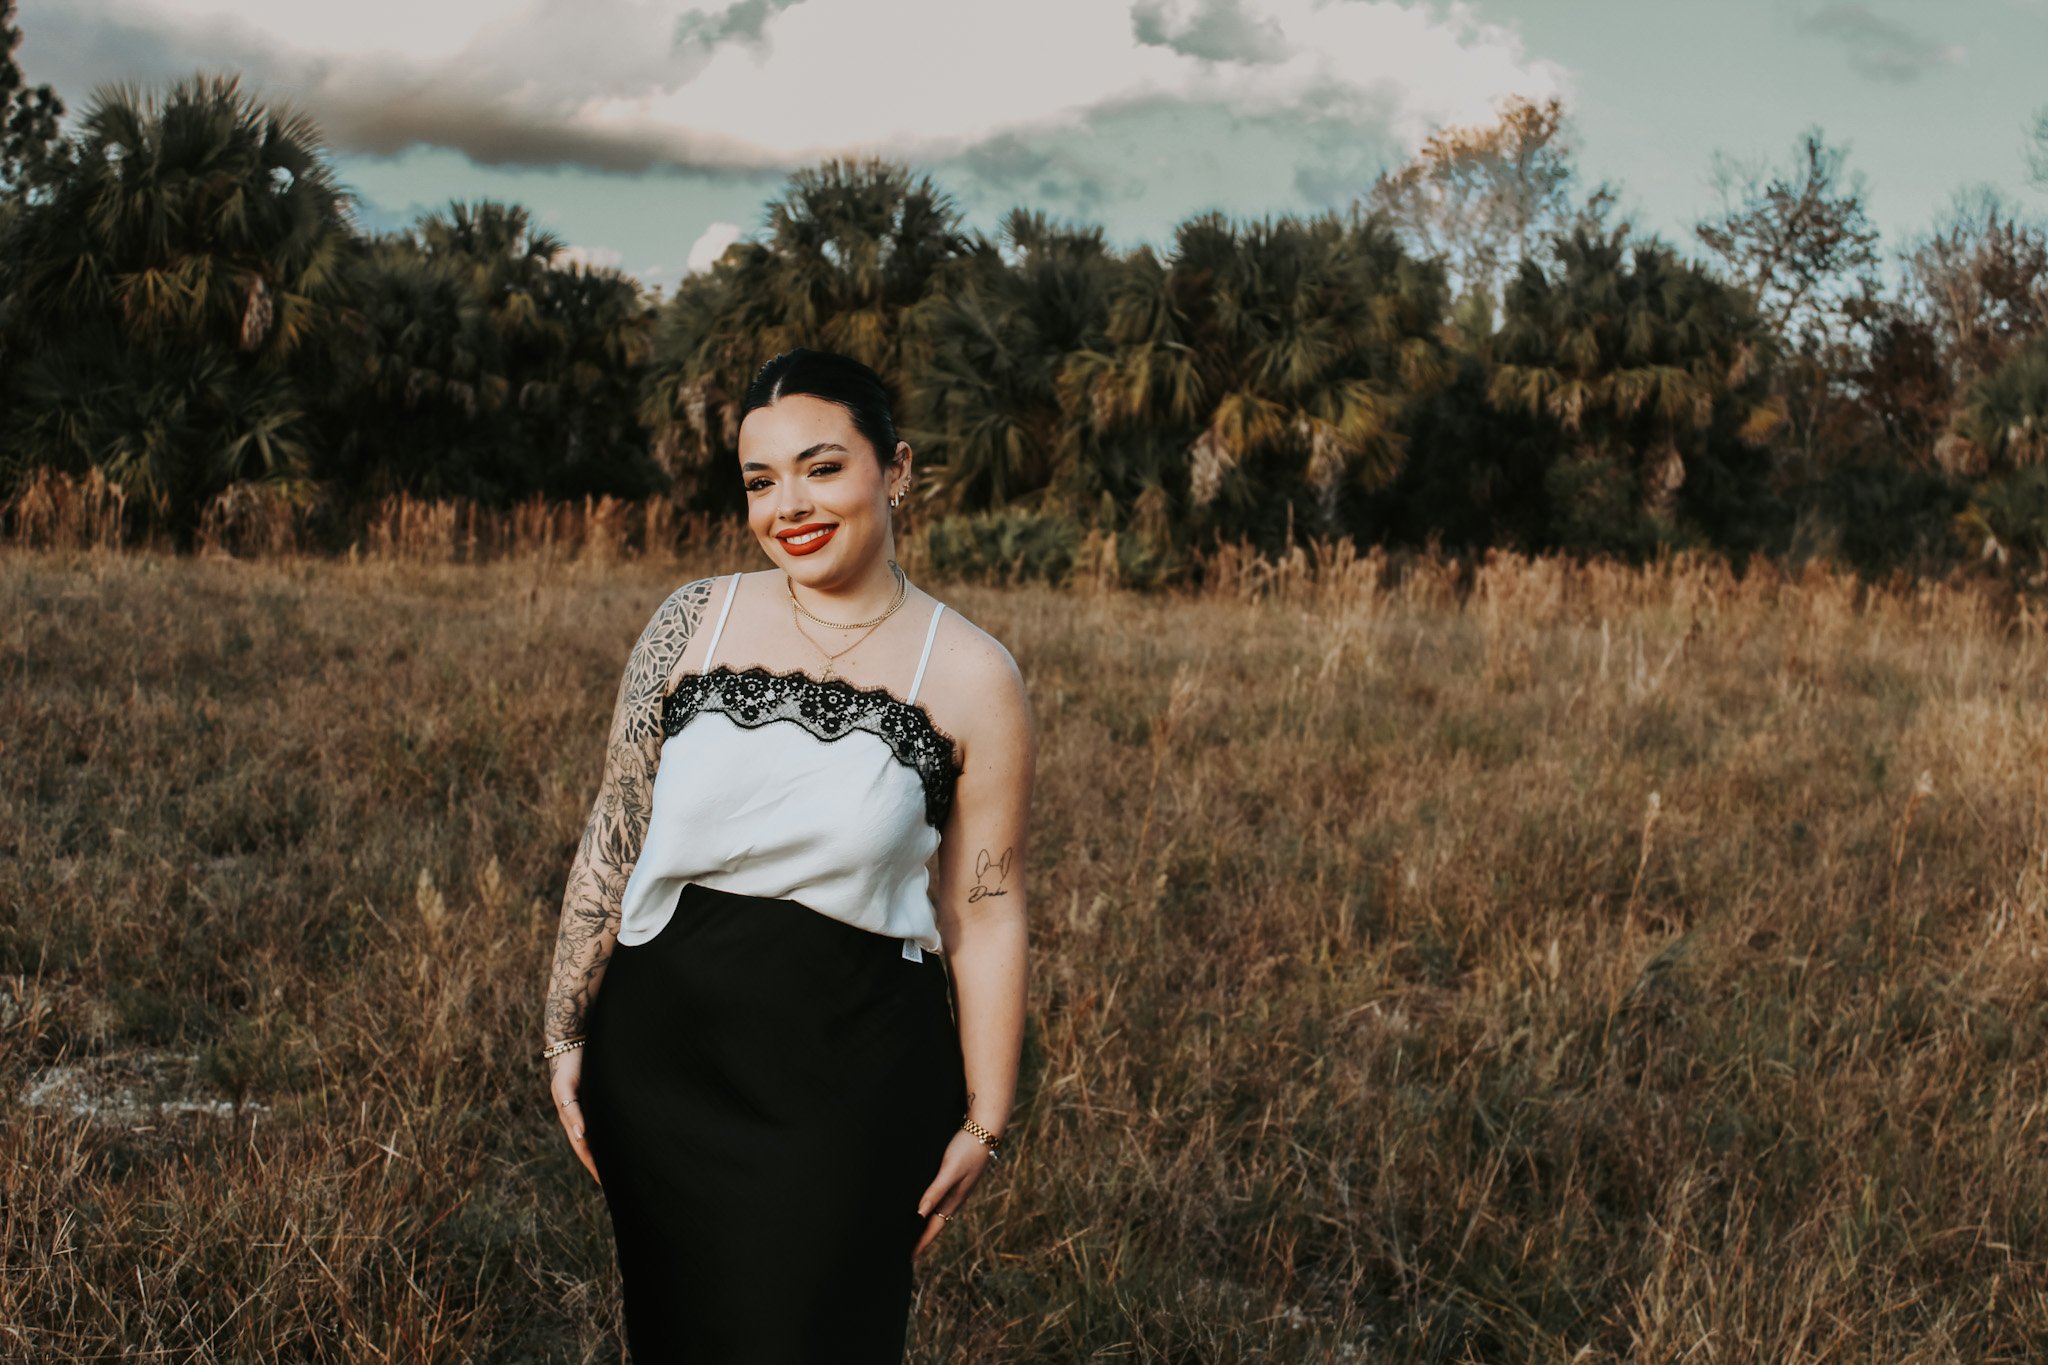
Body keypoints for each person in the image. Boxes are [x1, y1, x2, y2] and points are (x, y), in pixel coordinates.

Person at [540, 348, 1034, 1363]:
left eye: (820, 468)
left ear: (892, 470)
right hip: (662, 1065)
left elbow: (984, 907)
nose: (787, 507)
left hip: (847, 1083)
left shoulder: (974, 673)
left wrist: (985, 1115)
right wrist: (562, 1033)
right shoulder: (690, 619)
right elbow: (616, 826)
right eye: (760, 481)